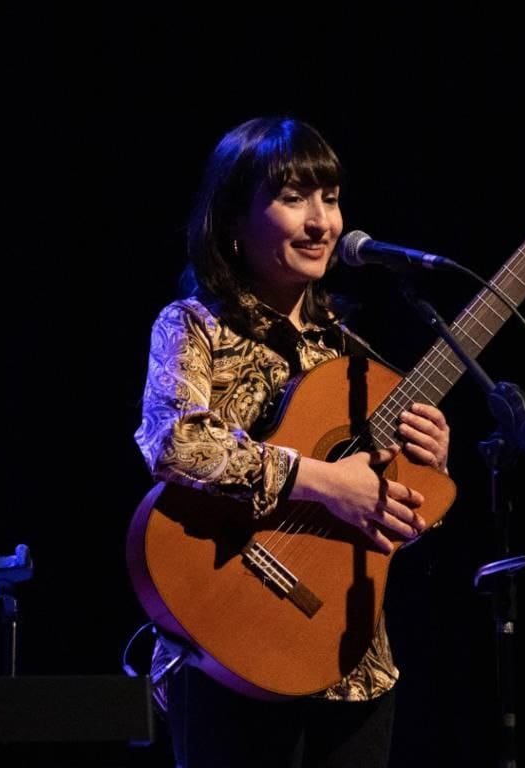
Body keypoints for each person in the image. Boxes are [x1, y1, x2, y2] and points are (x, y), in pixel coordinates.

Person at [133, 116, 450, 768]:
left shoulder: (353, 352)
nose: (321, 222)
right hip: (229, 647)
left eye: (330, 198)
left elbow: (390, 522)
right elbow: (175, 444)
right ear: (232, 223)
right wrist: (327, 480)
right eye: (293, 198)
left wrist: (421, 476)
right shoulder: (194, 326)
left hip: (351, 659)